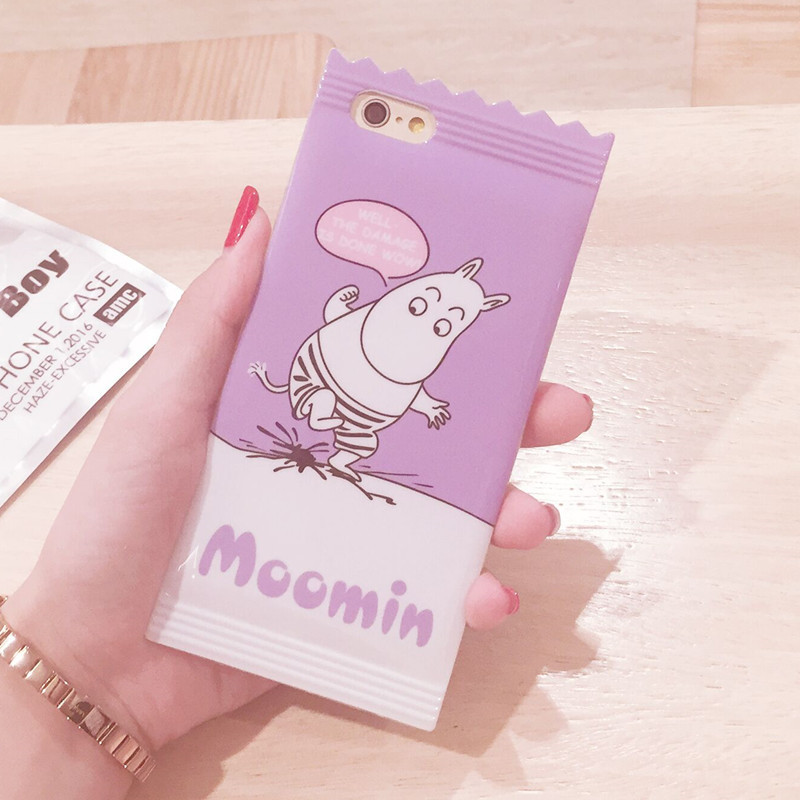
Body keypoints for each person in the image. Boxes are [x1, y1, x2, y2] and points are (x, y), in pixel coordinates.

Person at [0, 188, 594, 798]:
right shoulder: (368, 321)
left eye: (446, 325)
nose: (429, 322)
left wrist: (82, 663)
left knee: (404, 467)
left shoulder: (425, 358)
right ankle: (323, 422)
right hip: (323, 375)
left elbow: (411, 384)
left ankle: (343, 455)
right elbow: (342, 326)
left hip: (370, 418)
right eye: (425, 307)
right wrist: (80, 656)